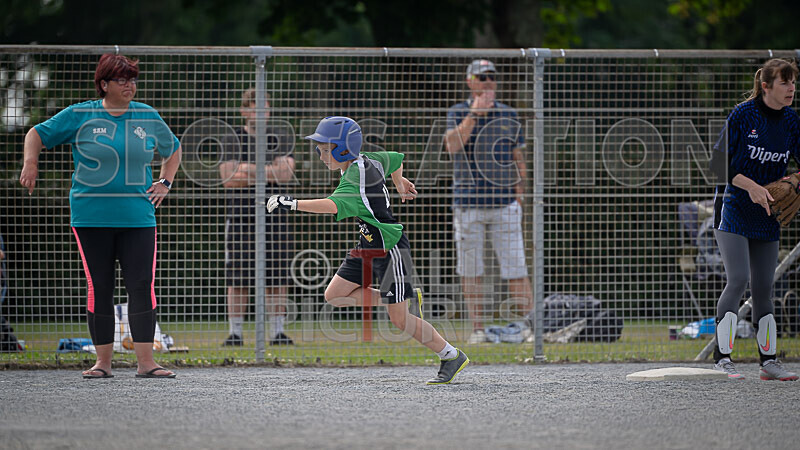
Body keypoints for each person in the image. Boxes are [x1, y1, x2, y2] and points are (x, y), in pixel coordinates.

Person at [268, 116, 469, 384]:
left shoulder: (354, 177)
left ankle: (450, 355)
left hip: (389, 249)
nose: (320, 155)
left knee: (400, 320)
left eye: (325, 149)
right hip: (367, 245)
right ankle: (402, 297)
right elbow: (395, 158)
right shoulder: (365, 158)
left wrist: (292, 204)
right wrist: (399, 182)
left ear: (343, 149)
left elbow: (332, 206)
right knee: (335, 295)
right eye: (319, 149)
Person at [19, 54, 182, 378]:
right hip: (91, 217)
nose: (130, 85)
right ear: (104, 84)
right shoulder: (80, 114)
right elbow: (35, 134)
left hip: (138, 218)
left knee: (141, 284)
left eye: (133, 79)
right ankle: (102, 363)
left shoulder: (147, 116)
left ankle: (147, 363)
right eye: (123, 80)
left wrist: (165, 182)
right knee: (101, 286)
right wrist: (31, 162)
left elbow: (173, 149)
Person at [709, 58, 800, 381]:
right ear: (766, 86)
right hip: (733, 206)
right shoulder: (743, 115)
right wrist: (752, 186)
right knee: (738, 279)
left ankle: (769, 362)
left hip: (767, 211)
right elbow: (719, 166)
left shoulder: (792, 121)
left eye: (793, 83)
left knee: (764, 287)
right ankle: (723, 360)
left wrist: (794, 181)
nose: (791, 88)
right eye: (784, 83)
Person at [444, 59, 533, 344]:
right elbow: (452, 146)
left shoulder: (509, 114)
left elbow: (518, 158)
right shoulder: (458, 112)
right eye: (482, 78)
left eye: (492, 78)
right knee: (471, 270)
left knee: (516, 268)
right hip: (468, 204)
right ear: (470, 81)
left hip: (504, 203)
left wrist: (519, 196)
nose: (488, 83)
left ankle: (531, 329)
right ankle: (478, 330)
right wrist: (474, 114)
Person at [219, 88, 295, 346]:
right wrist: (267, 170)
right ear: (244, 110)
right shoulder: (232, 138)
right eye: (255, 107)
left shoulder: (279, 137)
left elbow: (285, 174)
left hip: (275, 215)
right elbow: (228, 178)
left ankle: (277, 332)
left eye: (265, 107)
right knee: (237, 276)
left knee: (276, 275)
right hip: (240, 217)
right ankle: (235, 333)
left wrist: (247, 170)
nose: (260, 112)